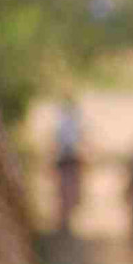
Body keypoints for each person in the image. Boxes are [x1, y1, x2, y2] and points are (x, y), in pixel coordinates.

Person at [52, 97, 85, 239]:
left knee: (66, 193)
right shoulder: (69, 123)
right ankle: (64, 222)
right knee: (66, 192)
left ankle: (65, 222)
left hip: (68, 161)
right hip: (68, 161)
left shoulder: (63, 123)